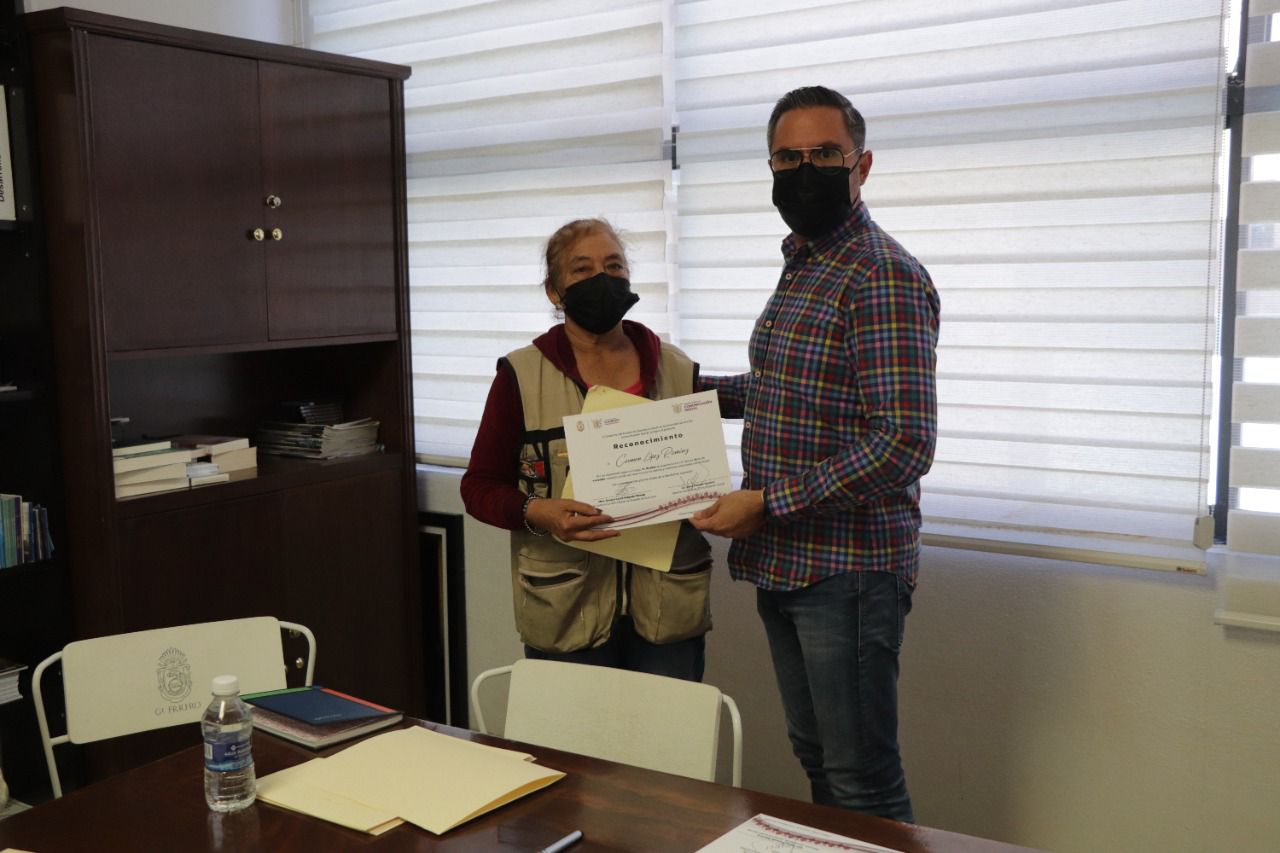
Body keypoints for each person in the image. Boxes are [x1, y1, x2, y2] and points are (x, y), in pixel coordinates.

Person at [690, 86, 939, 822]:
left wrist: (768, 502)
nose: (805, 170)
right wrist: (675, 393)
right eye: (787, 157)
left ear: (863, 165)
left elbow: (902, 442)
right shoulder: (807, 261)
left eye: (824, 154)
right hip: (787, 561)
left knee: (861, 779)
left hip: (847, 571)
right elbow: (784, 390)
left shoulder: (879, 273)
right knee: (820, 758)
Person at [461, 218, 713, 681]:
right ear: (554, 291)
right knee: (572, 731)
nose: (603, 278)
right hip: (566, 608)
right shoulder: (521, 375)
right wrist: (537, 511)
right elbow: (479, 487)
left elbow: (699, 472)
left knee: (669, 729)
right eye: (582, 269)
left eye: (614, 266)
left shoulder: (678, 368)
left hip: (667, 609)